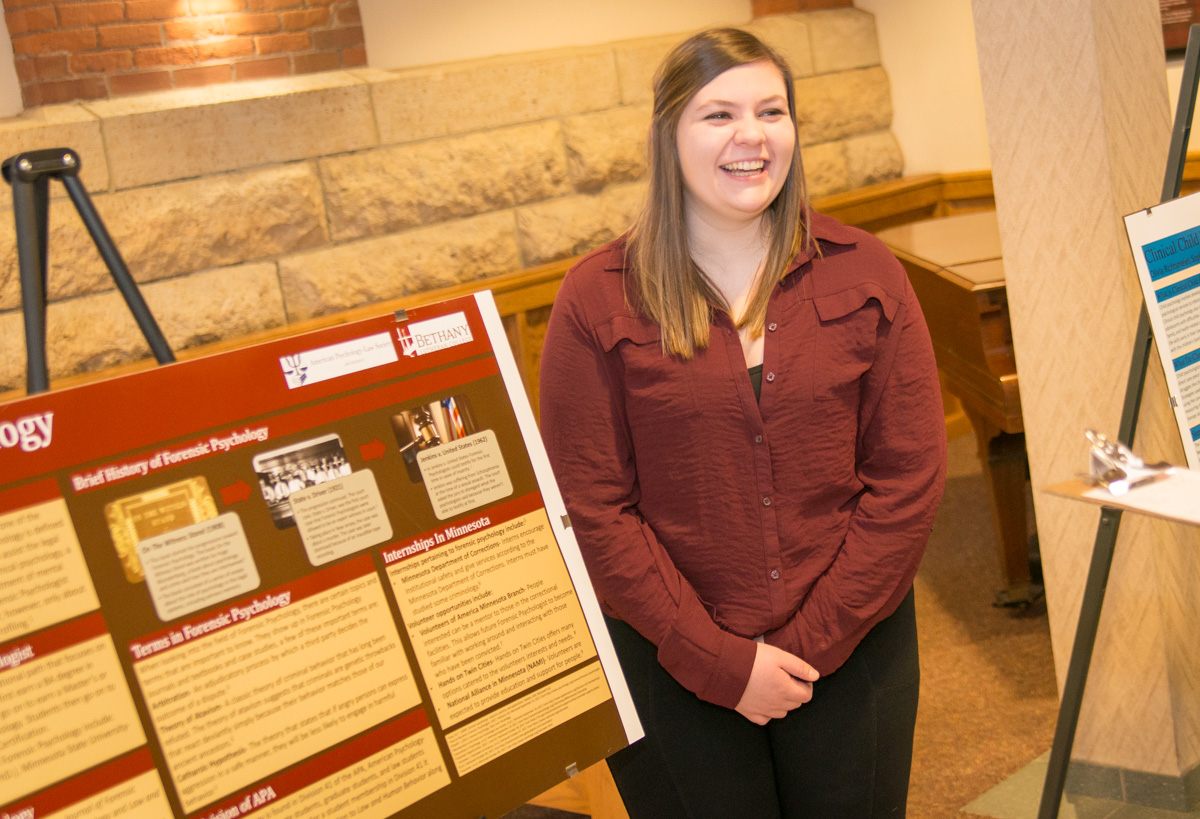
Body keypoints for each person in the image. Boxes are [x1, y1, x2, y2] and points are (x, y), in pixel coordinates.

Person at [539, 27, 946, 819]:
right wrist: (722, 662)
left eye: (771, 110)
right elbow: (593, 507)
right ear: (669, 136)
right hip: (670, 659)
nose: (751, 136)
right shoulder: (595, 300)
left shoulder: (866, 272)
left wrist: (805, 646)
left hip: (854, 646)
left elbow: (908, 481)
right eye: (717, 115)